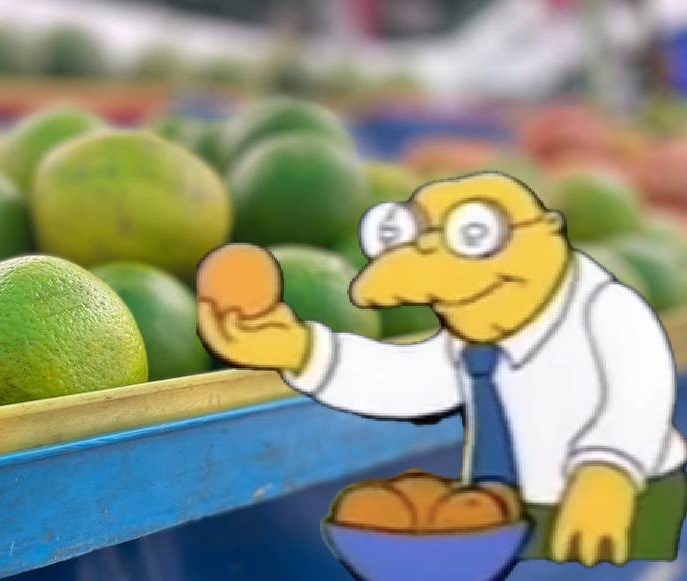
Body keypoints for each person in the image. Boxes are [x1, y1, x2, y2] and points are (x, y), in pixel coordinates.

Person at [197, 172, 686, 565]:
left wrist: (609, 468)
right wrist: (304, 351)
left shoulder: (608, 311)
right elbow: (407, 379)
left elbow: (638, 390)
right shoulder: (477, 336)